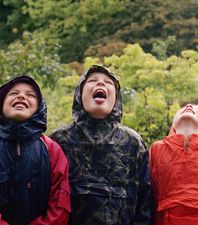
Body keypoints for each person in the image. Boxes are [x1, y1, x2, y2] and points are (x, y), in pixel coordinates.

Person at [50, 65, 152, 225]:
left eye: (108, 82)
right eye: (92, 81)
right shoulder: (59, 139)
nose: (101, 84)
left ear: (116, 98)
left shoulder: (132, 141)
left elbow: (144, 199)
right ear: (79, 94)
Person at [0, 75, 70, 225]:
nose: (21, 96)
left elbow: (60, 204)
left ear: (39, 107)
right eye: (13, 93)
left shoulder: (52, 149)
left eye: (30, 95)